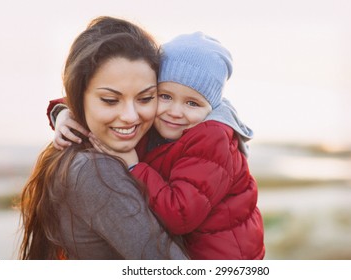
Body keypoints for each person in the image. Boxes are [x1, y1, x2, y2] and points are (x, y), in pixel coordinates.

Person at [47, 32, 265, 260]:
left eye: (192, 103)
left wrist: (134, 167)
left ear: (211, 107)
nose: (175, 111)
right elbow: (108, 97)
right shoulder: (157, 121)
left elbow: (180, 215)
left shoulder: (212, 140)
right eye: (165, 96)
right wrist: (64, 113)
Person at [19, 16, 188, 260]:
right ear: (78, 97)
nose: (130, 116)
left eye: (145, 98)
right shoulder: (94, 170)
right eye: (110, 100)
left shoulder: (131, 146)